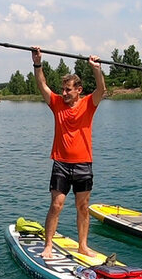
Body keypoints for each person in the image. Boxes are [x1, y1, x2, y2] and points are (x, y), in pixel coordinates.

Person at [32, 47, 106, 258]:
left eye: (68, 90)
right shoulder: (56, 104)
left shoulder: (88, 104)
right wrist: (37, 63)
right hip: (61, 164)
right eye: (62, 89)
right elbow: (41, 85)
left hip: (84, 164)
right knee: (57, 204)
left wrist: (96, 70)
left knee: (83, 207)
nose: (63, 93)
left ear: (79, 90)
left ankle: (83, 245)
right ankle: (48, 245)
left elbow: (101, 89)